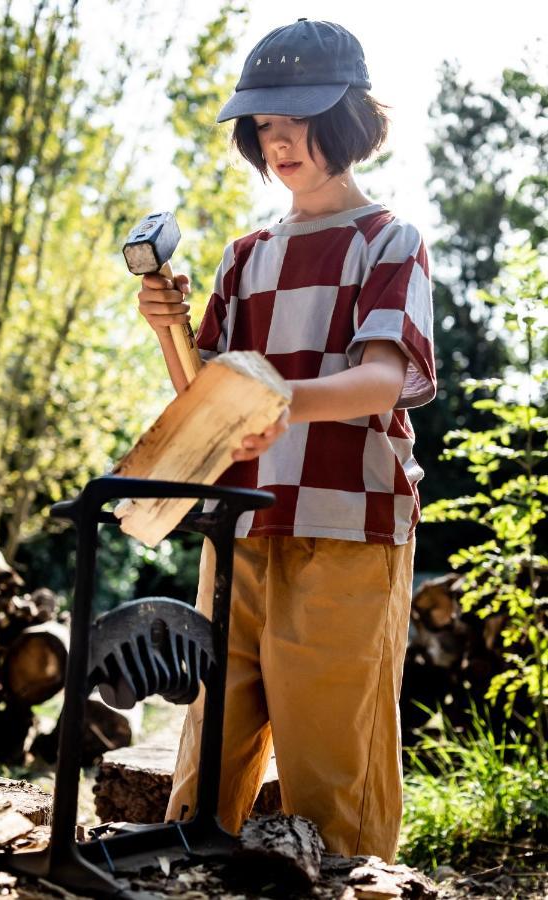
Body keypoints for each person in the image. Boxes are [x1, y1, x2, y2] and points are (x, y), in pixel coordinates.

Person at [137, 19, 436, 863]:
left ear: (345, 118)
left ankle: (350, 882)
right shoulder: (244, 257)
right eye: (263, 124)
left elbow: (381, 381)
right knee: (210, 745)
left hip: (349, 524)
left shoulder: (389, 240)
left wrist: (276, 401)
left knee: (329, 759)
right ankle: (190, 873)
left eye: (296, 119)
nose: (277, 139)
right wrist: (170, 331)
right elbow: (207, 403)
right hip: (240, 529)